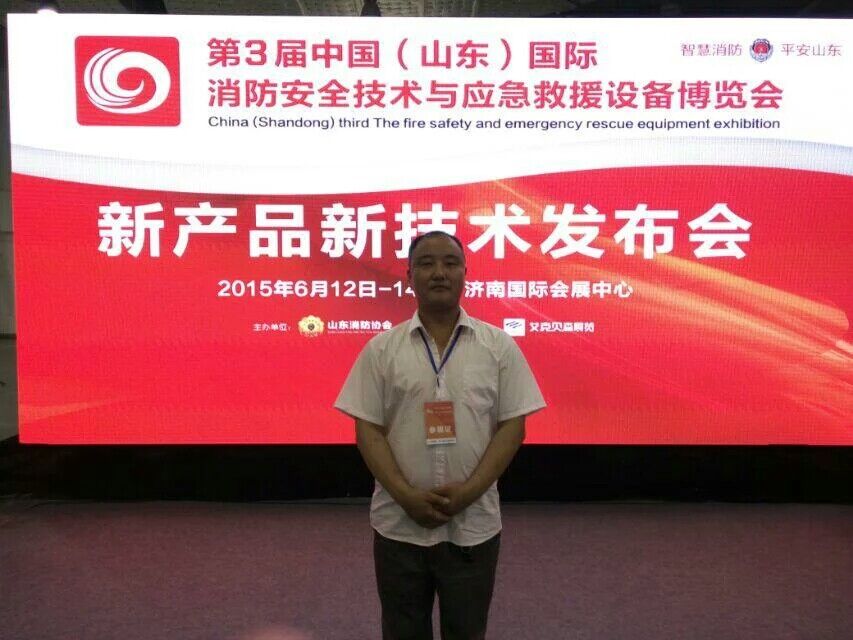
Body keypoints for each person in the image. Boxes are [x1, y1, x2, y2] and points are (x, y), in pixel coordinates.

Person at [334, 231, 546, 640]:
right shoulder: (381, 350)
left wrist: (468, 492)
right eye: (427, 264)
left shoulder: (498, 347)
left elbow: (513, 427)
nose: (439, 273)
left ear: (465, 272)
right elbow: (368, 429)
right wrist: (405, 495)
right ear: (409, 276)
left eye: (450, 263)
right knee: (402, 631)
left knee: (467, 632)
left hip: (472, 523)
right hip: (399, 524)